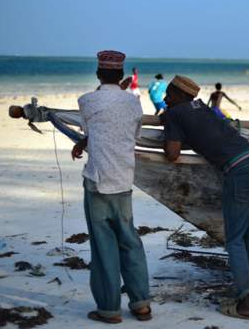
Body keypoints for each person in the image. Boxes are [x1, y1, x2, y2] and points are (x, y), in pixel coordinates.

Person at [161, 75, 249, 320]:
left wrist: (166, 124)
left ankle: (247, 302)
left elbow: (171, 154)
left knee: (234, 239)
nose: (165, 98)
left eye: (169, 94)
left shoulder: (174, 113)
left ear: (181, 96)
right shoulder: (202, 107)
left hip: (240, 169)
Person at [71, 50, 152, 324]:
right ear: (121, 76)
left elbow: (90, 132)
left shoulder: (87, 100)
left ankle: (109, 309)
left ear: (97, 74)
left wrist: (83, 143)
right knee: (130, 241)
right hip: (123, 181)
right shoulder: (134, 104)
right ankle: (141, 304)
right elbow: (133, 135)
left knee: (103, 246)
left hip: (97, 181)